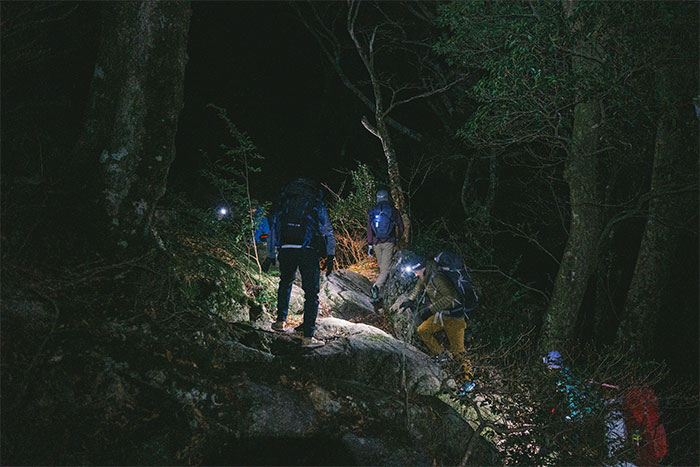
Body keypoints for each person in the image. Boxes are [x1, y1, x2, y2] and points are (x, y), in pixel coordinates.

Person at [262, 177, 336, 348]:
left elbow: (274, 227)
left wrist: (270, 255)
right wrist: (330, 254)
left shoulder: (285, 200)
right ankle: (308, 337)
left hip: (286, 248)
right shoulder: (314, 200)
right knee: (311, 294)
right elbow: (326, 229)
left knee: (285, 282)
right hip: (307, 250)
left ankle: (280, 322)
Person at [400, 258, 473, 384]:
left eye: (416, 271)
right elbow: (418, 288)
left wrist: (431, 309)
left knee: (458, 351)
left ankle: (469, 379)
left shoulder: (437, 278)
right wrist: (410, 299)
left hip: (455, 318)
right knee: (422, 330)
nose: (415, 274)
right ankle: (441, 355)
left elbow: (451, 298)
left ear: (422, 268)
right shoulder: (425, 276)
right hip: (441, 316)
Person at [367, 188, 404, 303]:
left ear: (377, 198)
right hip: (389, 241)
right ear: (387, 197)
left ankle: (380, 294)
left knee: (382, 268)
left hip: (376, 242)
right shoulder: (393, 210)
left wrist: (370, 245)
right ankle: (376, 287)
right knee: (385, 269)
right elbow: (401, 226)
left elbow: (369, 229)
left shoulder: (373, 211)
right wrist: (397, 237)